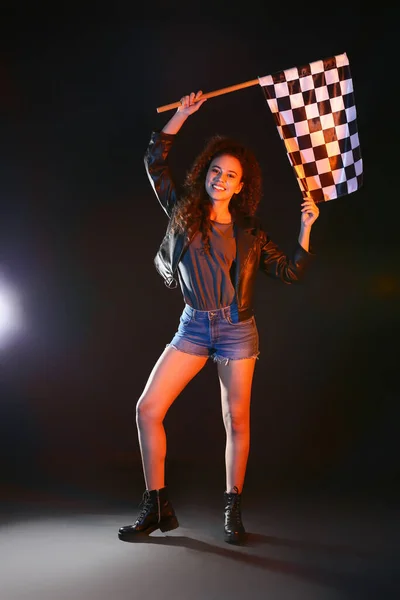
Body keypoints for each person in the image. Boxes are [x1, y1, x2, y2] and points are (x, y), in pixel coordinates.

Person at [118, 90, 320, 545]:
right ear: (204, 173)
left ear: (241, 184)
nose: (221, 179)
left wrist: (306, 229)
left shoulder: (249, 232)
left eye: (231, 175)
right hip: (193, 324)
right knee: (148, 409)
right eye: (215, 171)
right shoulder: (183, 212)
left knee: (237, 420)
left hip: (235, 329)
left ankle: (233, 508)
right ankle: (156, 505)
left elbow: (288, 271)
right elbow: (154, 161)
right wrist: (181, 114)